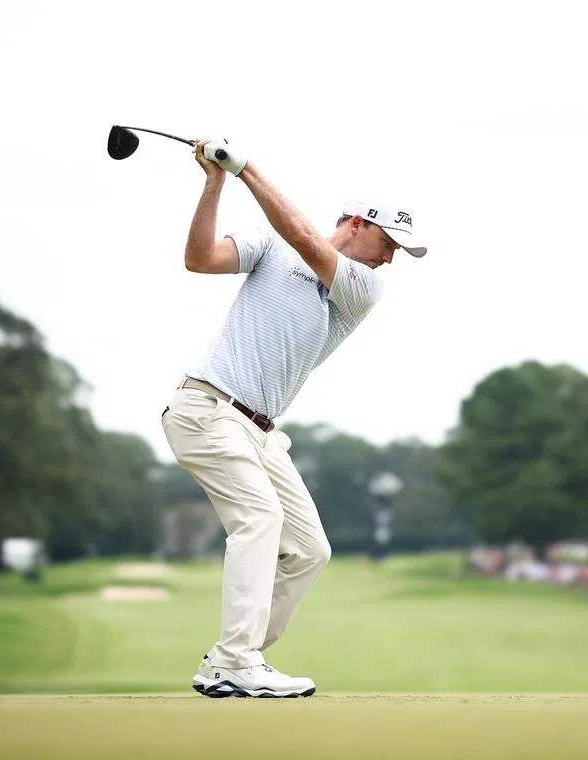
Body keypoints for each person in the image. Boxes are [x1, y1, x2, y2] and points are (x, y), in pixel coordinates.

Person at [160, 136, 426, 698]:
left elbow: (304, 237)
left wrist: (247, 169)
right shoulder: (268, 247)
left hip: (258, 432)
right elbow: (199, 259)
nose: (390, 257)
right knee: (260, 520)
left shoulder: (362, 287)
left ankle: (232, 659)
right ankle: (236, 661)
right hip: (208, 408)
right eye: (388, 241)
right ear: (357, 223)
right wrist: (215, 184)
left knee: (309, 550)